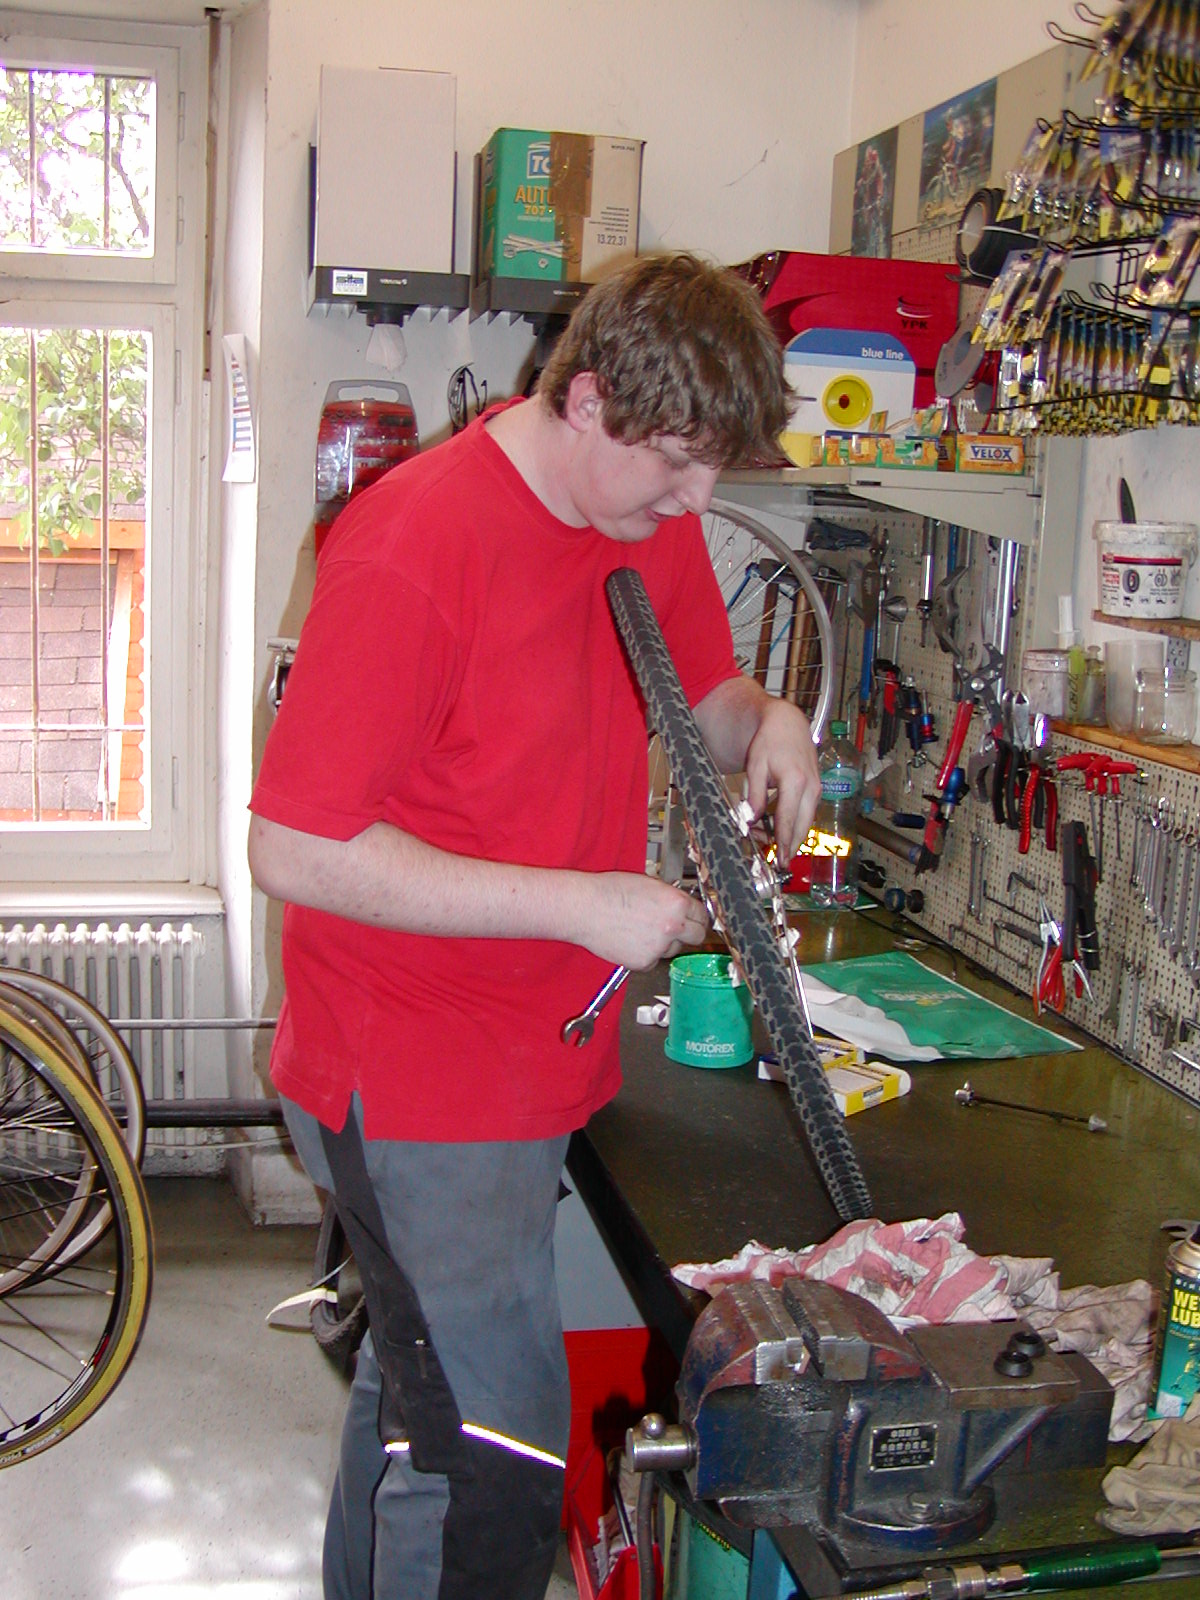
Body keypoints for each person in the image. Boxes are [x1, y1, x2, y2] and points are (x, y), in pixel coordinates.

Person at [247, 251, 821, 1600]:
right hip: (413, 1083)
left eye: (713, 470)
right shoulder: (412, 546)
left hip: (520, 1065)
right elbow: (295, 845)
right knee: (488, 1463)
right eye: (675, 463)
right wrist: (581, 904)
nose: (698, 501)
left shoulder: (641, 516)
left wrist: (771, 720)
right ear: (589, 399)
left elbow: (701, 691)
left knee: (419, 1402)